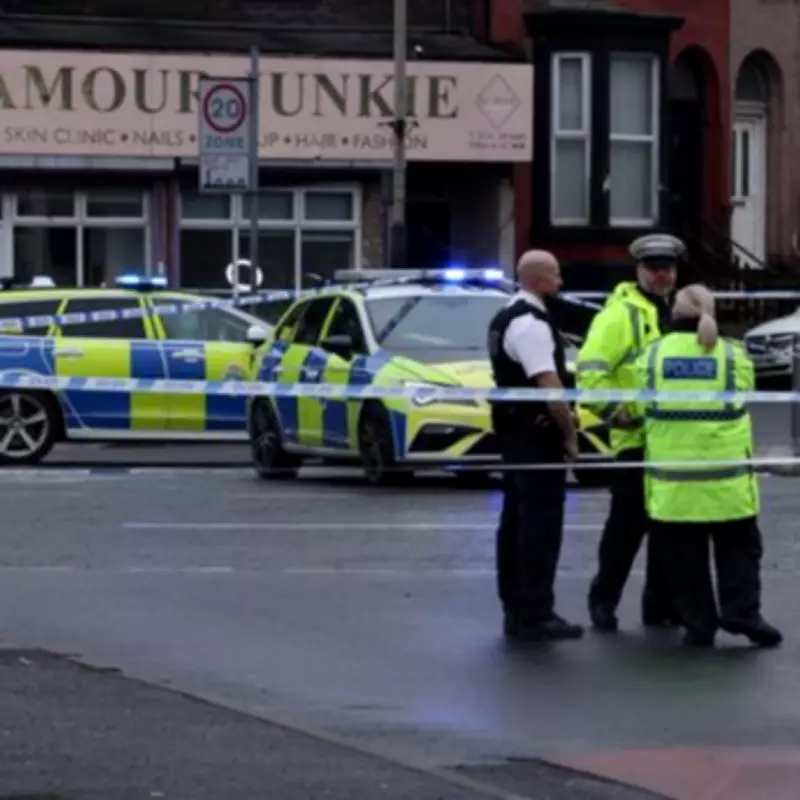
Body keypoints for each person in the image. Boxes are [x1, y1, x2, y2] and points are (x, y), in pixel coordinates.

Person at [635, 284, 782, 648]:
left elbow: (639, 409)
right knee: (739, 553)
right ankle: (742, 614)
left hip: (674, 486)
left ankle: (699, 625)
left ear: (674, 312)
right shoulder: (734, 355)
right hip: (727, 484)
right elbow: (744, 397)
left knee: (684, 558)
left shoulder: (652, 356)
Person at [576, 233, 682, 632]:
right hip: (636, 441)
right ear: (638, 270)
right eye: (653, 268)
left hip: (672, 443)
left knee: (667, 531)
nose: (660, 275)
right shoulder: (620, 315)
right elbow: (589, 371)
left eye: (667, 268)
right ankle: (603, 601)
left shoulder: (677, 311)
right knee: (624, 530)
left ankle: (660, 607)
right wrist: (610, 412)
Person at [488, 249, 584, 641]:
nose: (560, 284)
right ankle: (535, 610)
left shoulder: (505, 316)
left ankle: (517, 606)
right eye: (556, 276)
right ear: (539, 279)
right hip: (535, 434)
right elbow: (550, 388)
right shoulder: (530, 323)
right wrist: (570, 433)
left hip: (514, 431)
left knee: (516, 519)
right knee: (539, 525)